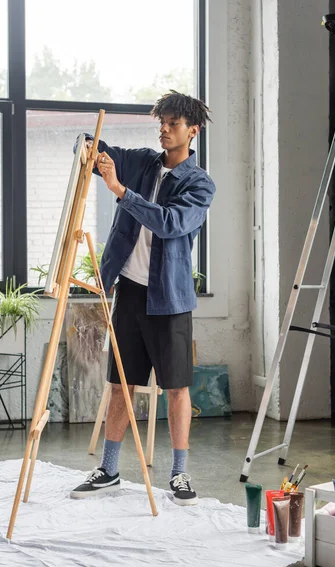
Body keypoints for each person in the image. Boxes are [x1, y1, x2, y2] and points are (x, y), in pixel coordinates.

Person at [70, 90, 215, 506]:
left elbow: (170, 223)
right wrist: (88, 145)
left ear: (193, 130)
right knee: (120, 384)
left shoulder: (200, 184)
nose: (164, 131)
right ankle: (110, 469)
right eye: (161, 123)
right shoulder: (143, 163)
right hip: (129, 294)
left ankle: (179, 474)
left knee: (177, 389)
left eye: (173, 124)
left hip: (169, 300)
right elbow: (101, 149)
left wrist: (120, 190)